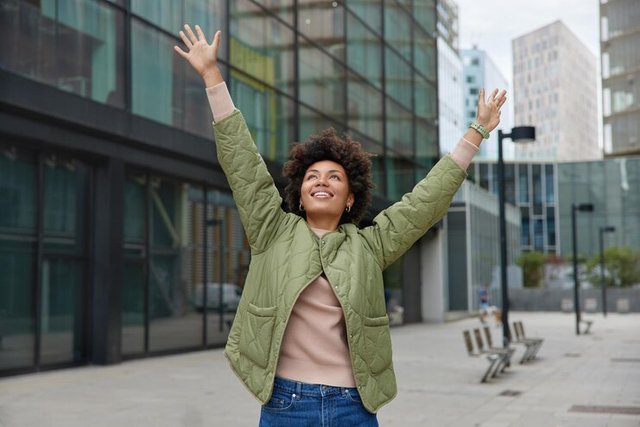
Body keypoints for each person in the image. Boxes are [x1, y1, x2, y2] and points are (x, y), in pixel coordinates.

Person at [175, 24, 506, 426]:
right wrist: (212, 75)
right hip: (285, 404)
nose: (322, 182)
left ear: (350, 198)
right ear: (299, 194)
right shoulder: (271, 230)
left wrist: (476, 132)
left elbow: (424, 203)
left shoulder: (369, 245)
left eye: (334, 177)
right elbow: (242, 162)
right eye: (313, 176)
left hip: (353, 405)